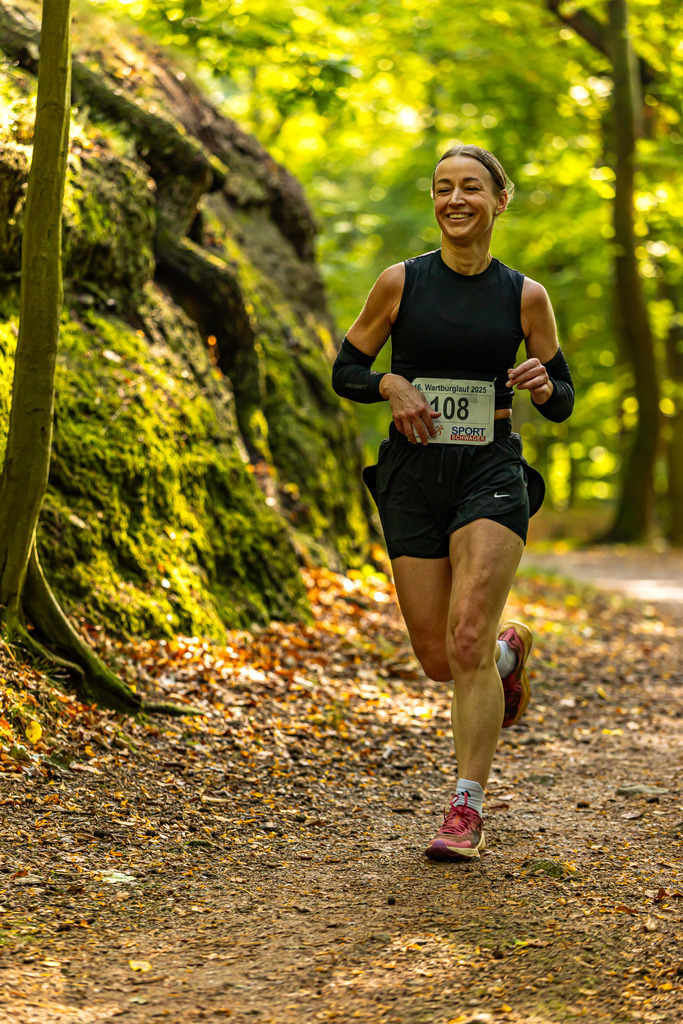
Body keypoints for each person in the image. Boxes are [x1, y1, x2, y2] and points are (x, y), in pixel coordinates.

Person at [332, 144, 574, 861]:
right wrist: (386, 385)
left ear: (499, 200)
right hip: (412, 476)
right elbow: (346, 368)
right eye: (443, 188)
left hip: (489, 471)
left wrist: (539, 384)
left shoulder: (524, 296)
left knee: (464, 634)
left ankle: (464, 809)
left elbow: (560, 399)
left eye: (470, 187)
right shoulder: (399, 284)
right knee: (441, 658)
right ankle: (506, 656)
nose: (454, 199)